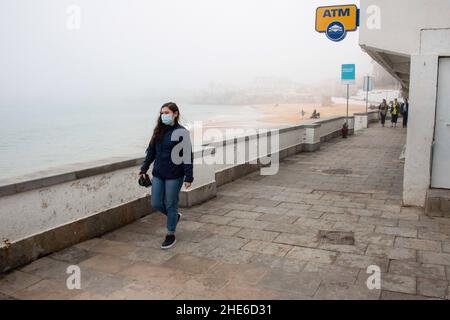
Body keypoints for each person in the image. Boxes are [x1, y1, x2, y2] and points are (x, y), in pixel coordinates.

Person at [139, 102, 194, 249]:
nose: (164, 115)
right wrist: (144, 168)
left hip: (175, 175)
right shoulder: (158, 131)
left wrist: (189, 177)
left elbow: (187, 155)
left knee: (171, 203)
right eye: (162, 113)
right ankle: (174, 217)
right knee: (156, 203)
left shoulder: (182, 132)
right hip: (158, 173)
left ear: (175, 114)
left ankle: (170, 234)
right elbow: (151, 151)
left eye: (167, 112)